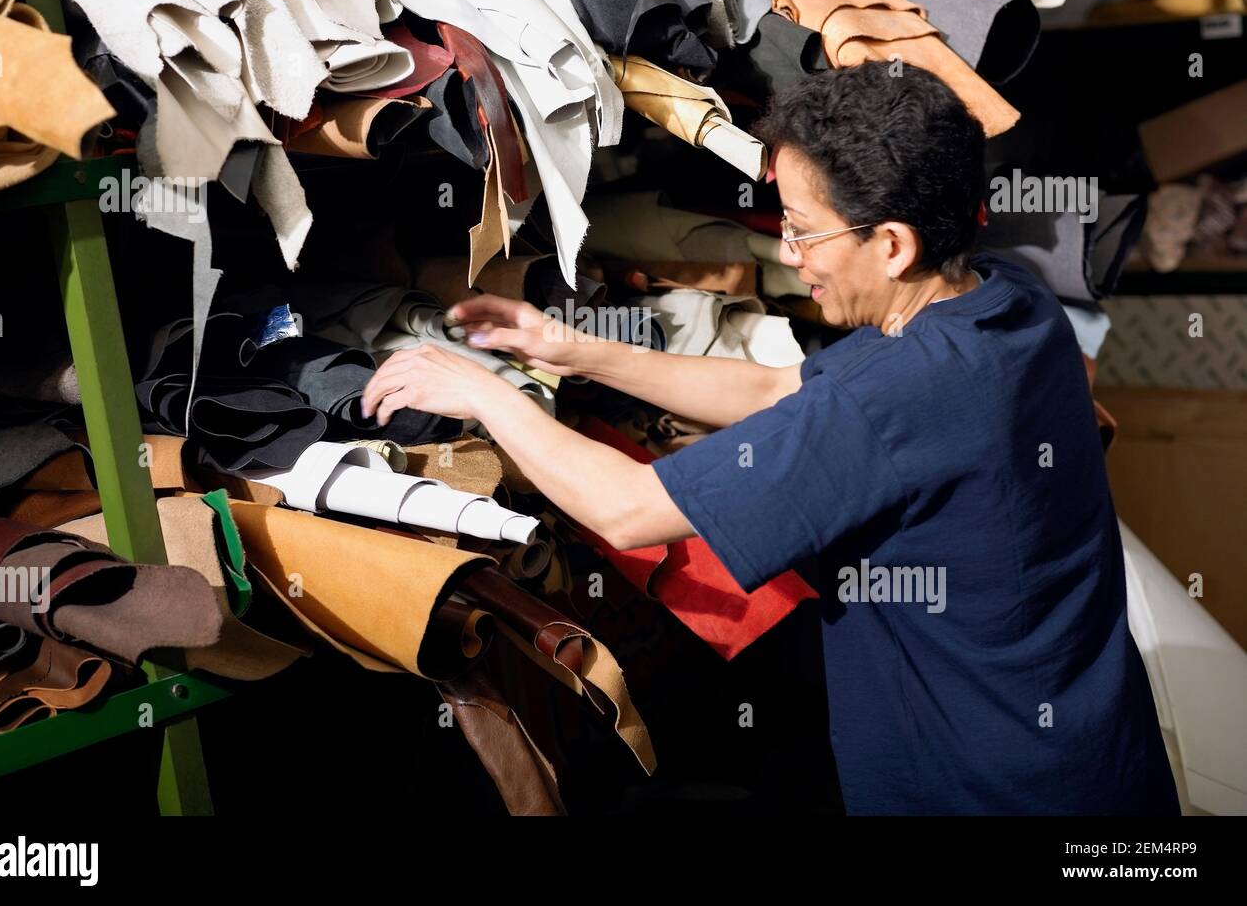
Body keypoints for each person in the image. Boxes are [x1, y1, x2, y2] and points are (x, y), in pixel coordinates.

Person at [361, 61, 1179, 816]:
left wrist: (481, 392)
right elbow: (776, 389)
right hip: (1099, 759)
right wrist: (573, 349)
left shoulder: (893, 397)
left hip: (989, 791)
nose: (790, 254)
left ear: (891, 244)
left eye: (802, 228)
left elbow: (627, 510)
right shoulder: (1006, 301)